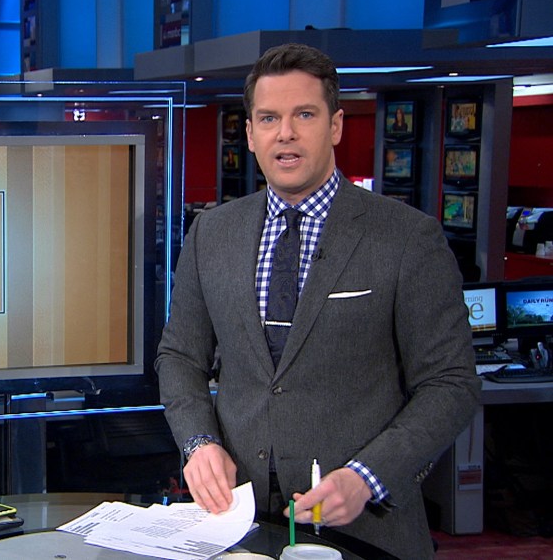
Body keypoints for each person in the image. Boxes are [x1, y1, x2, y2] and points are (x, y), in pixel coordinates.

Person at [156, 43, 480, 559]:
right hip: (239, 527)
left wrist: (368, 476)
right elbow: (179, 356)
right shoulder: (211, 233)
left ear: (335, 126)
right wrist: (198, 443)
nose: (285, 133)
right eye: (269, 118)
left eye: (304, 115)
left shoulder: (406, 238)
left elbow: (451, 383)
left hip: (368, 532)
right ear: (250, 134)